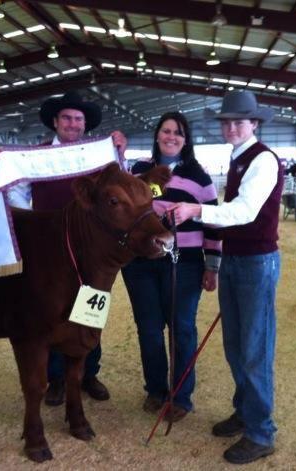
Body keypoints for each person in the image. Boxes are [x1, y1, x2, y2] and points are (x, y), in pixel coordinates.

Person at [0, 91, 127, 407]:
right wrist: (34, 222)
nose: (72, 124)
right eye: (66, 118)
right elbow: (16, 192)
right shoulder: (36, 156)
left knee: (90, 311)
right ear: (55, 122)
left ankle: (88, 372)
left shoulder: (101, 160)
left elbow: (125, 187)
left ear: (85, 125)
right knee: (50, 314)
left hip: (91, 254)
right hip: (50, 253)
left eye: (78, 119)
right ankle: (55, 378)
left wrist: (121, 153)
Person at [170, 90, 282, 465]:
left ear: (254, 123)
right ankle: (246, 411)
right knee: (236, 345)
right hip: (238, 258)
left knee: (253, 348)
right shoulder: (238, 159)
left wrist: (195, 210)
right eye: (227, 121)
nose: (231, 127)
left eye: (239, 121)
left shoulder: (263, 159)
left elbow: (245, 211)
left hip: (256, 261)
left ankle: (261, 430)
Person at [121, 112, 221, 422]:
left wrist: (212, 265)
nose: (171, 136)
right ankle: (155, 389)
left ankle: (181, 395)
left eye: (178, 132)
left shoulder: (200, 178)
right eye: (166, 130)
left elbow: (213, 222)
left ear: (186, 138)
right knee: (149, 329)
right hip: (141, 262)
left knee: (182, 330)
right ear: (157, 135)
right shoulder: (139, 170)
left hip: (186, 264)